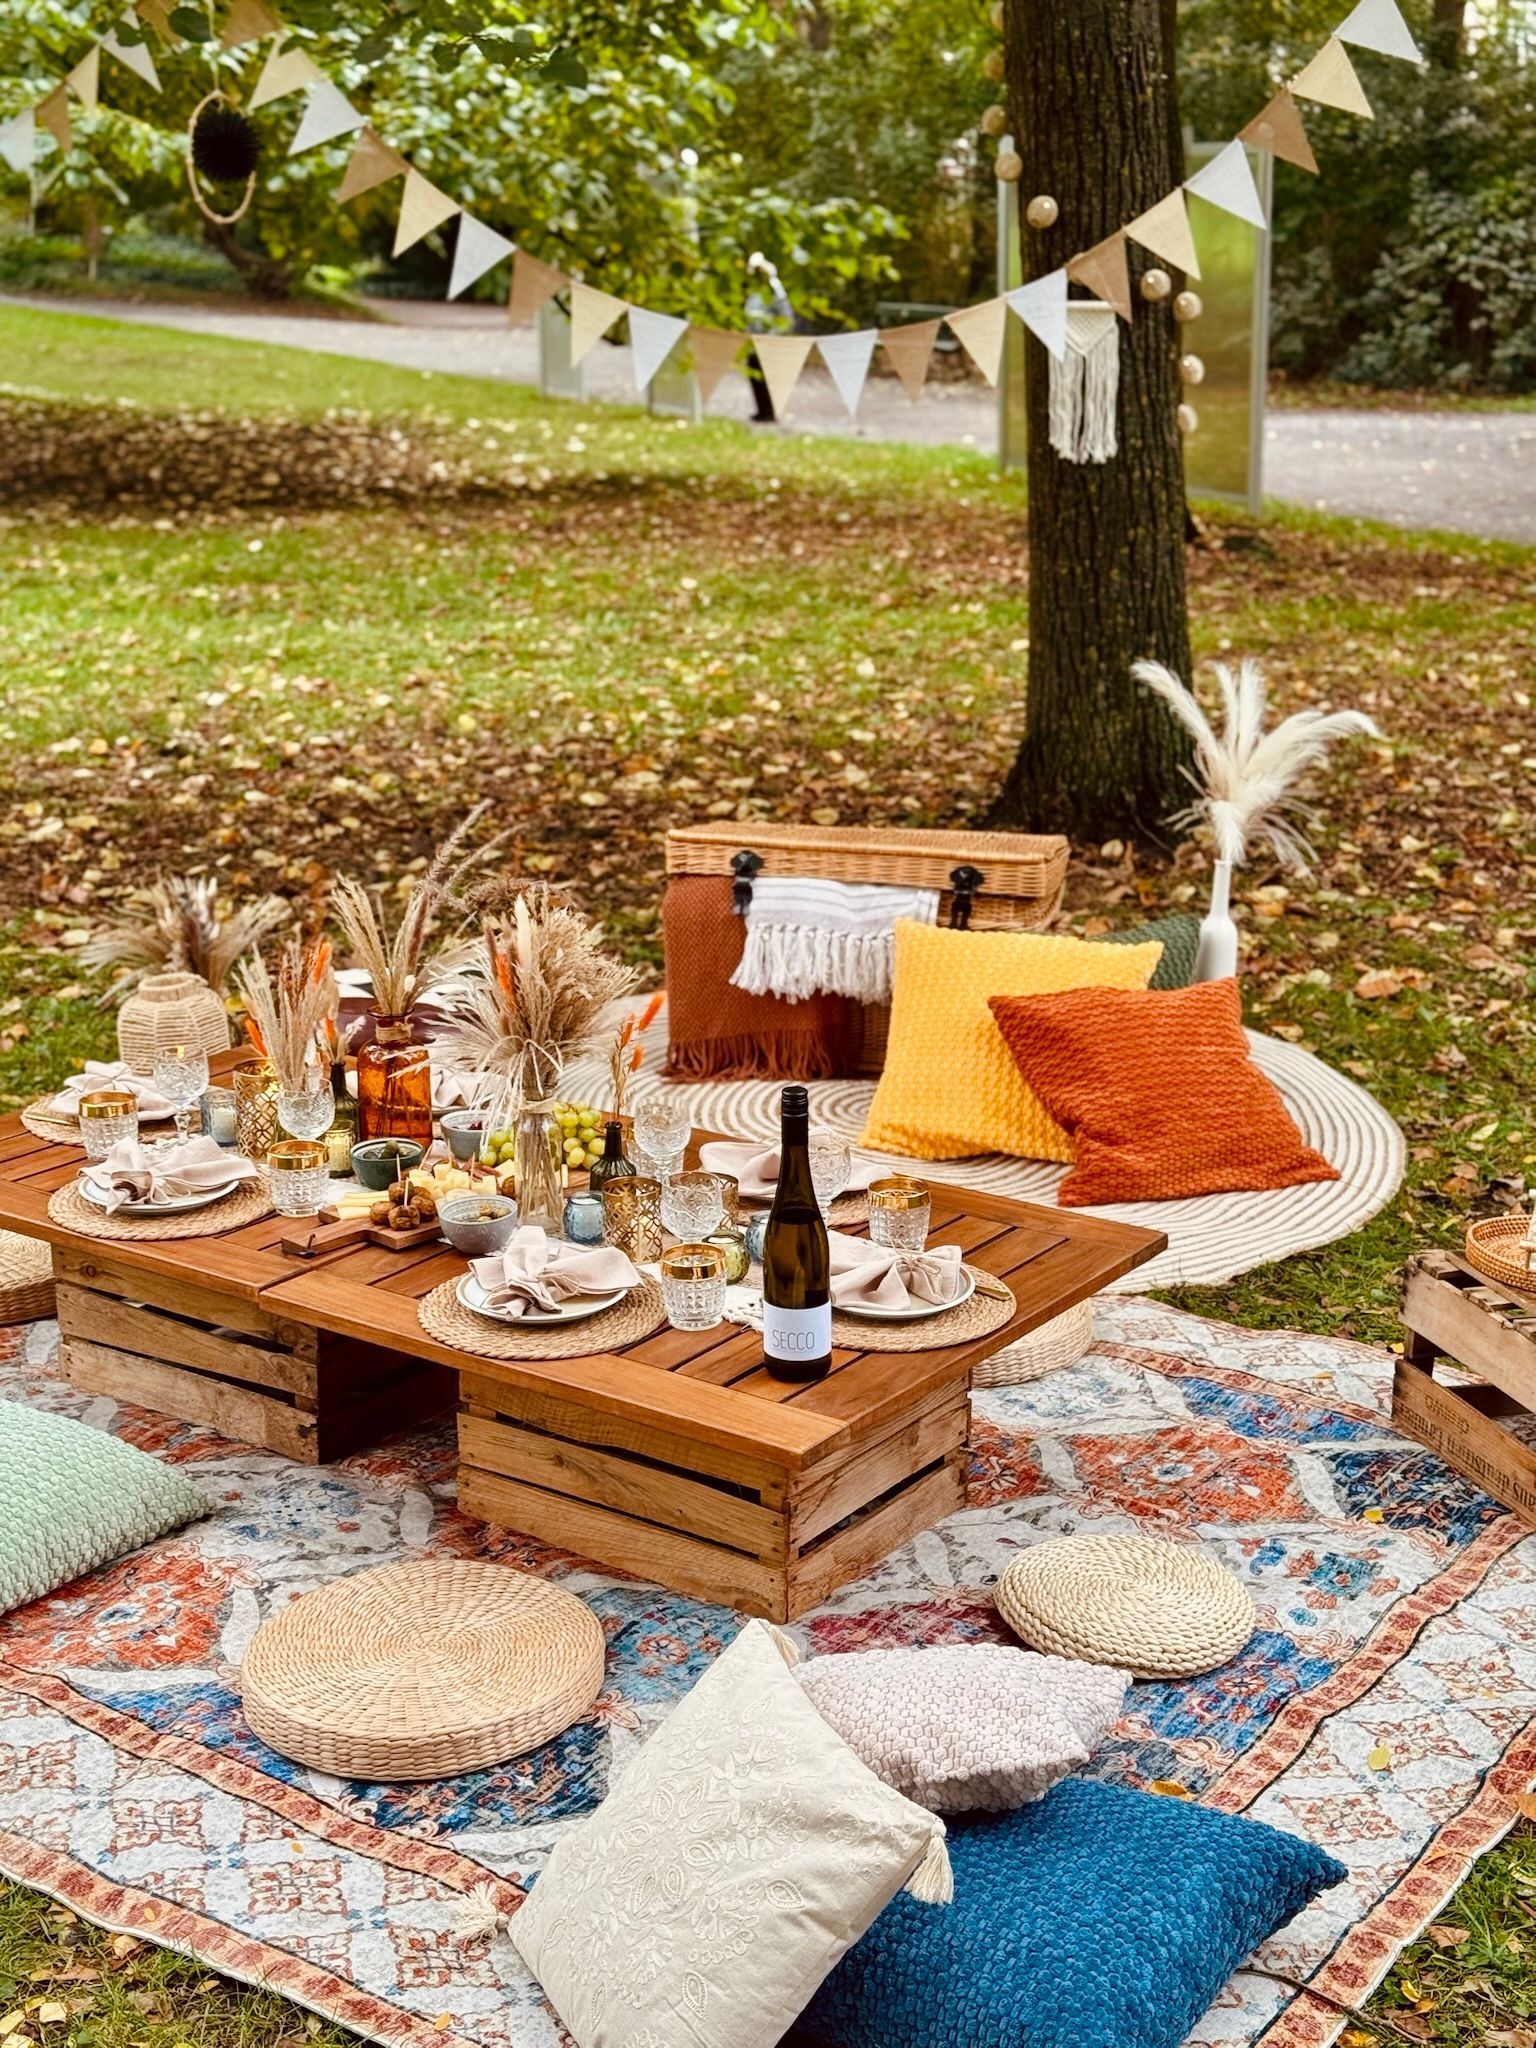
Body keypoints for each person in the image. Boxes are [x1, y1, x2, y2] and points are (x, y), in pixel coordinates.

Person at [744, 250, 793, 423]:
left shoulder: (775, 290)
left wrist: (770, 336)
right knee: (755, 376)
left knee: (768, 377)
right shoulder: (755, 291)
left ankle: (770, 411)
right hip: (753, 342)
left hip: (768, 342)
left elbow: (786, 318)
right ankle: (761, 410)